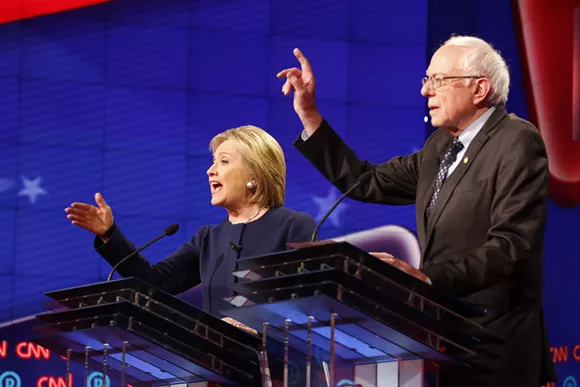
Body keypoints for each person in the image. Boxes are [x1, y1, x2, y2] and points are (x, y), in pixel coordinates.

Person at [277, 36, 557, 386]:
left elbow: (512, 246)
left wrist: (426, 278)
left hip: (495, 346)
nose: (426, 91)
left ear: (480, 88)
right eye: (426, 80)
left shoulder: (516, 140)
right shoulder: (439, 147)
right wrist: (310, 114)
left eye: (438, 80)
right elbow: (365, 181)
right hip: (444, 341)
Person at [64, 125, 316, 319]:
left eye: (224, 161)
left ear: (255, 175)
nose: (210, 170)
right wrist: (110, 234)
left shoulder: (294, 226)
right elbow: (155, 283)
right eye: (213, 162)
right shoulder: (208, 239)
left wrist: (255, 322)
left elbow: (307, 300)